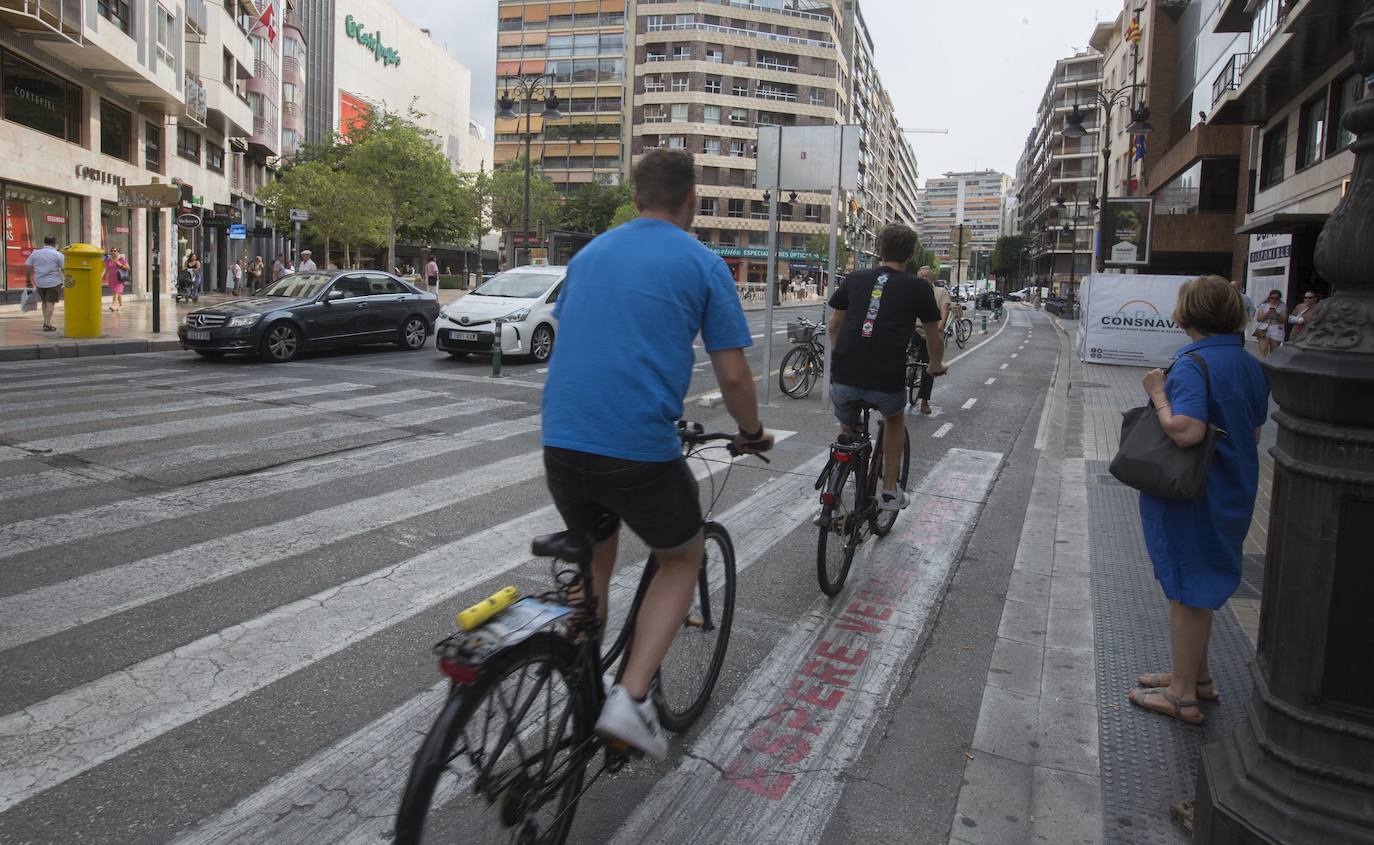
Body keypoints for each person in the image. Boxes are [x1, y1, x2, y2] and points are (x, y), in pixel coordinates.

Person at [541, 149, 773, 759]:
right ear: (692, 200)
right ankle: (631, 701)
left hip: (562, 441)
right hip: (637, 449)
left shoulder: (590, 255)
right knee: (680, 555)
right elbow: (735, 377)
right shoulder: (702, 262)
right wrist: (751, 430)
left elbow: (572, 339)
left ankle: (576, 668)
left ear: (637, 197)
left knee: (595, 552)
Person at [1128, 275, 1269, 725]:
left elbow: (1185, 431)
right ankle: (1196, 676)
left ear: (1186, 315)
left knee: (1187, 589)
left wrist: (1156, 392)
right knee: (1202, 585)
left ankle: (1182, 696)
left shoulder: (1192, 364)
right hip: (1231, 486)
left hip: (1192, 492)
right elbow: (1254, 430)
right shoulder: (1247, 363)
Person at [827, 226, 946, 510]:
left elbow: (833, 327)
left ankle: (843, 469)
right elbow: (934, 337)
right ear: (912, 253)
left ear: (879, 248)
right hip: (885, 378)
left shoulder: (854, 278)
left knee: (848, 425)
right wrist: (936, 365)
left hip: (844, 376)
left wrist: (843, 356)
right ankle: (890, 491)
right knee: (894, 419)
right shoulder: (919, 287)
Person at [908, 266, 951, 415]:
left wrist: (940, 326)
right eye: (921, 276)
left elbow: (945, 310)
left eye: (927, 276)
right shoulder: (912, 292)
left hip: (930, 332)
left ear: (932, 278)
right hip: (914, 329)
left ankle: (924, 401)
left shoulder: (940, 292)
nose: (924, 279)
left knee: (929, 366)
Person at [25, 234, 65, 332]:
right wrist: (68, 280)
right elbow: (64, 269)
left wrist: (28, 281)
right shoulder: (58, 254)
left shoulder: (35, 253)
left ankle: (47, 322)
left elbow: (28, 267)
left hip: (39, 282)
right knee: (50, 303)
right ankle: (47, 324)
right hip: (53, 282)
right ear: (55, 243)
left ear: (44, 242)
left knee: (44, 302)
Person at [1255, 289, 1286, 358]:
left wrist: (1277, 314)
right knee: (1262, 351)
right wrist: (1267, 314)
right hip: (1264, 328)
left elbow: (1284, 320)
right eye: (1271, 298)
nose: (1273, 300)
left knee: (1274, 352)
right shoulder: (1263, 305)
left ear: (1279, 298)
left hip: (1277, 328)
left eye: (1276, 298)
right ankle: (1261, 367)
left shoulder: (1282, 306)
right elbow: (1259, 319)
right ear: (1269, 297)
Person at [104, 247, 130, 312]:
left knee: (116, 292)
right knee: (117, 293)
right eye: (112, 251)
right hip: (111, 279)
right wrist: (103, 276)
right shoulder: (108, 260)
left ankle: (113, 305)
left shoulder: (121, 259)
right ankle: (121, 305)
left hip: (119, 278)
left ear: (118, 252)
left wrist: (120, 265)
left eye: (115, 251)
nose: (113, 252)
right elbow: (106, 269)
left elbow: (128, 268)